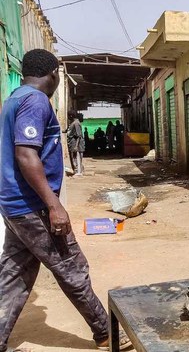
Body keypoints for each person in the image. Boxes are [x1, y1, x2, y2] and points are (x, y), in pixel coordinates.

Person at [0, 49, 131, 351]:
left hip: (15, 205)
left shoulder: (14, 99)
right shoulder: (34, 101)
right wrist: (54, 205)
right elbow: (26, 154)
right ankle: (104, 332)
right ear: (54, 74)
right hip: (33, 206)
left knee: (14, 273)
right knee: (71, 267)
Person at [66, 111, 85, 175]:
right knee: (73, 158)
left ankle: (78, 171)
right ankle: (75, 170)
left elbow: (79, 136)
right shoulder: (72, 123)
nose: (68, 117)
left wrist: (76, 146)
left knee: (76, 158)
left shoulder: (76, 123)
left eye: (68, 116)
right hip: (71, 143)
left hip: (75, 144)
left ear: (71, 116)